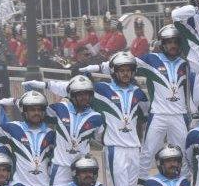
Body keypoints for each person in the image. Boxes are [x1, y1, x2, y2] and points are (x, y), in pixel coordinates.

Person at [31, 53, 148, 186]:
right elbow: (72, 88)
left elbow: (144, 116)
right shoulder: (102, 90)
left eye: (129, 70)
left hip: (134, 148)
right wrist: (46, 85)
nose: (126, 74)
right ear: (114, 72)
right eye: (121, 70)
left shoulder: (138, 93)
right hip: (115, 149)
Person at [81, 24, 190, 177]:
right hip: (158, 115)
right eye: (168, 42)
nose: (172, 45)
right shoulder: (151, 60)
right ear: (162, 44)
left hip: (180, 114)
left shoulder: (186, 65)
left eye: (175, 42)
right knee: (147, 153)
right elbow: (123, 63)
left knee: (184, 154)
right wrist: (98, 68)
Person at [37, 75, 104, 186]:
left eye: (87, 94)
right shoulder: (61, 108)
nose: (84, 97)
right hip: (60, 167)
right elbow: (38, 112)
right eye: (80, 94)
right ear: (72, 95)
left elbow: (102, 139)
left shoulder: (96, 117)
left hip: (83, 168)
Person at [0, 91, 56, 186]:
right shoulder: (13, 128)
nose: (36, 113)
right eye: (32, 110)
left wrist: (14, 101)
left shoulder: (51, 133)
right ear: (24, 111)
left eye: (39, 110)